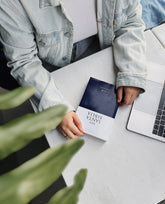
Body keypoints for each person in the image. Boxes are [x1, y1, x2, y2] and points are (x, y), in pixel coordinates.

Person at [0, 0, 147, 139]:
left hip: (101, 47)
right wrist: (55, 107)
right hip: (48, 68)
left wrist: (132, 72)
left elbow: (131, 20)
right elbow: (24, 61)